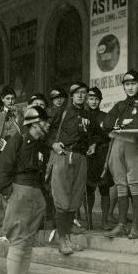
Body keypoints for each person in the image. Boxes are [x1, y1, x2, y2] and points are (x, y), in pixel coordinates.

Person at [0, 106, 50, 274]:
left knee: (28, 242)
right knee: (18, 241)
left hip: (35, 194)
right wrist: (10, 194)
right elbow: (2, 169)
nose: (47, 125)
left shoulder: (39, 144)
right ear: (34, 123)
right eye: (44, 122)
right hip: (20, 193)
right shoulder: (17, 140)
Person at [47, 82, 101, 254]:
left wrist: (93, 144)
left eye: (83, 93)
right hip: (64, 156)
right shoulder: (61, 112)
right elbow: (43, 129)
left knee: (74, 200)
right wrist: (53, 144)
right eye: (76, 93)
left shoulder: (87, 114)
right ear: (71, 96)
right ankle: (62, 240)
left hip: (81, 158)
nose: (80, 96)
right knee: (62, 200)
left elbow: (93, 133)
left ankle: (68, 239)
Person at [102, 70, 138, 239]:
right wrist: (121, 123)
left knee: (135, 182)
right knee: (120, 183)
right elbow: (107, 122)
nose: (130, 88)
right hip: (117, 144)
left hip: (134, 144)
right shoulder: (120, 105)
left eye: (133, 84)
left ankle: (137, 226)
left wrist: (121, 124)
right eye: (127, 85)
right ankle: (122, 224)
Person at [85, 86, 113, 230]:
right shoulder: (82, 116)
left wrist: (96, 144)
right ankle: (89, 221)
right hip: (87, 156)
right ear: (86, 100)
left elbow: (108, 136)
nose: (94, 102)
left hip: (101, 155)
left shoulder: (105, 116)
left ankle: (104, 221)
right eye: (91, 99)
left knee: (104, 187)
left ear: (100, 101)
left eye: (96, 99)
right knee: (88, 188)